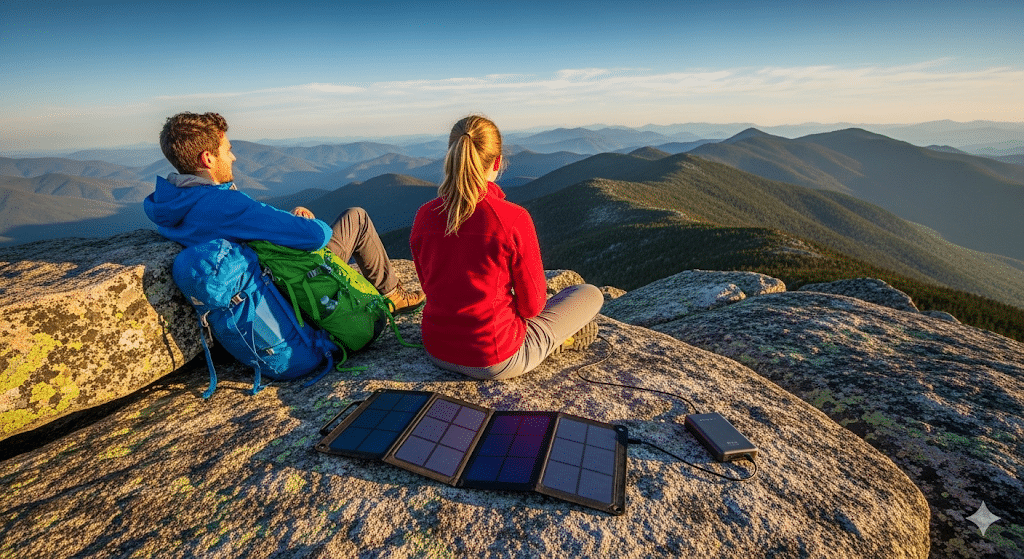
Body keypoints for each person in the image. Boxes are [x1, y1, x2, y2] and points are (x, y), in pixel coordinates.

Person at [144, 111, 424, 313]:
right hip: (289, 285)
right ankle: (392, 295)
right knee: (357, 217)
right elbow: (317, 236)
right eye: (227, 150)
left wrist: (285, 220)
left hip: (255, 287)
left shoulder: (169, 204)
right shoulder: (223, 204)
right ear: (208, 158)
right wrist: (299, 223)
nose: (233, 156)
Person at [410, 115, 603, 380]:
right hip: (495, 359)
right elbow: (532, 308)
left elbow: (429, 285)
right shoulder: (512, 218)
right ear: (498, 162)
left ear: (452, 155)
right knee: (590, 294)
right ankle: (558, 342)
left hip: (436, 350)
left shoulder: (424, 215)